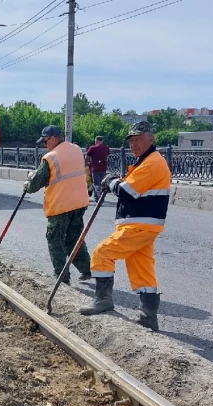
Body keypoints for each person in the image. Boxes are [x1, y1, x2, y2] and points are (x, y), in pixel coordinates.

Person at [80, 121, 171, 331]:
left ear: (152, 138)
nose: (134, 144)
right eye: (131, 141)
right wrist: (115, 181)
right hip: (142, 225)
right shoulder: (145, 161)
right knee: (142, 269)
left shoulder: (152, 163)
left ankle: (103, 300)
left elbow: (127, 191)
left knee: (102, 254)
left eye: (139, 139)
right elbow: (131, 187)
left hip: (139, 226)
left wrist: (109, 180)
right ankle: (148, 316)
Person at [22, 125, 92, 284]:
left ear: (53, 138)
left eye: (45, 141)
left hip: (61, 205)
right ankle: (87, 269)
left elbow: (35, 184)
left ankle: (62, 277)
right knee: (74, 238)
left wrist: (27, 184)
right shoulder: (76, 149)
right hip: (79, 202)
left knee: (55, 240)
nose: (44, 145)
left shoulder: (51, 157)